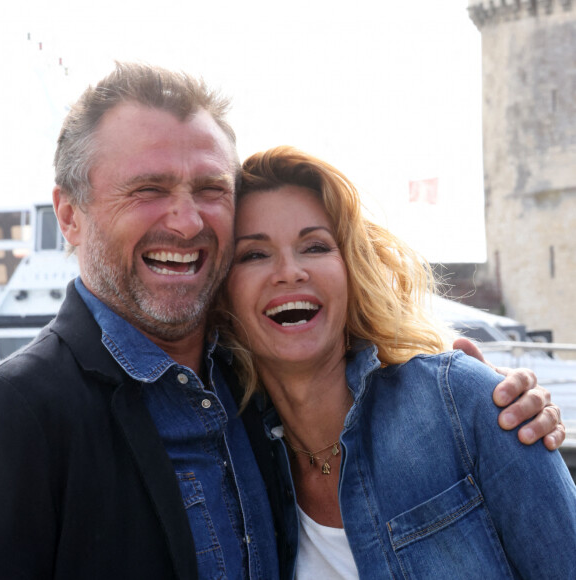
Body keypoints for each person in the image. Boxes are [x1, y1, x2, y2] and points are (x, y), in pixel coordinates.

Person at [0, 62, 564, 579]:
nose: (187, 220)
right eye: (148, 188)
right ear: (69, 215)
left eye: (212, 189)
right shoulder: (17, 416)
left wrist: (472, 400)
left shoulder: (251, 404)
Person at [215, 146, 576, 579]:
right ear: (224, 292)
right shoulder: (235, 462)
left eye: (315, 246)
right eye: (254, 254)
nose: (289, 271)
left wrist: (480, 394)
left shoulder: (468, 404)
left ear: (351, 270)